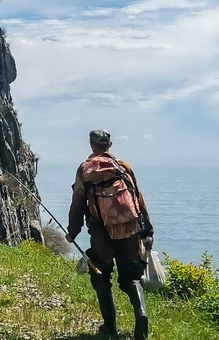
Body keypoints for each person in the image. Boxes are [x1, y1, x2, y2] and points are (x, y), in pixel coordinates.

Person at [66, 129, 154, 339]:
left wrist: (73, 231)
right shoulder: (123, 167)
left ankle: (109, 327)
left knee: (101, 277)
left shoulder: (85, 170)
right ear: (110, 145)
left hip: (102, 234)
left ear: (91, 145)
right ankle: (141, 313)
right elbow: (138, 199)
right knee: (131, 277)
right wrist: (147, 230)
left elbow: (78, 203)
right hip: (130, 230)